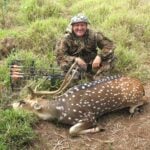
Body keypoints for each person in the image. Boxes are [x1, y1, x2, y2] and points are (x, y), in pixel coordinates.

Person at [55, 13, 116, 80]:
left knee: (110, 56)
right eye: (77, 25)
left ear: (86, 26)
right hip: (76, 65)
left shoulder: (93, 34)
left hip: (92, 62)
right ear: (72, 26)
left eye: (82, 25)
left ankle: (99, 78)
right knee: (64, 64)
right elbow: (60, 56)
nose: (80, 28)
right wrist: (75, 59)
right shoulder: (66, 38)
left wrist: (99, 56)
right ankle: (76, 77)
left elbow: (109, 45)